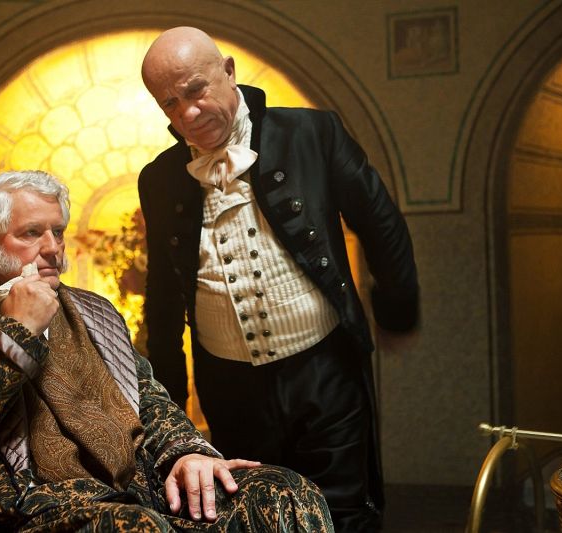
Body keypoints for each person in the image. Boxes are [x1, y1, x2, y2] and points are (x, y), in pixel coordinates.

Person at [0, 170, 333, 531]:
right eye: (31, 233)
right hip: (26, 508)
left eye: (58, 231)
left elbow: (149, 401)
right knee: (132, 526)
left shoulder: (95, 311)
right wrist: (15, 334)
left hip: (143, 489)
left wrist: (186, 453)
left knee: (284, 491)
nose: (52, 248)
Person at [138, 27, 419, 532]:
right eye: (170, 104)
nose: (188, 114)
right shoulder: (158, 177)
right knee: (252, 514)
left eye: (196, 90)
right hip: (229, 387)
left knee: (343, 511)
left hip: (324, 370)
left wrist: (397, 311)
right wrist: (170, 408)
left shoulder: (312, 133)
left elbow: (381, 222)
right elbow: (161, 297)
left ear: (228, 71)